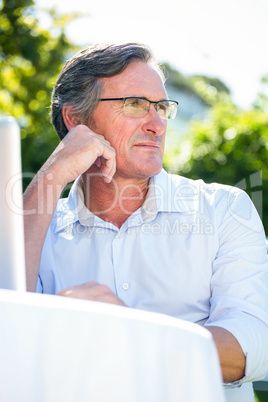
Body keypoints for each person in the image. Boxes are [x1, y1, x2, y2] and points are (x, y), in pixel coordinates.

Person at [23, 42, 268, 400]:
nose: (157, 124)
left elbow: (255, 345)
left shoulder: (225, 209)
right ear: (75, 119)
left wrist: (134, 333)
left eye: (162, 107)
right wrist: (49, 179)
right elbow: (8, 336)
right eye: (136, 104)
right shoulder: (37, 232)